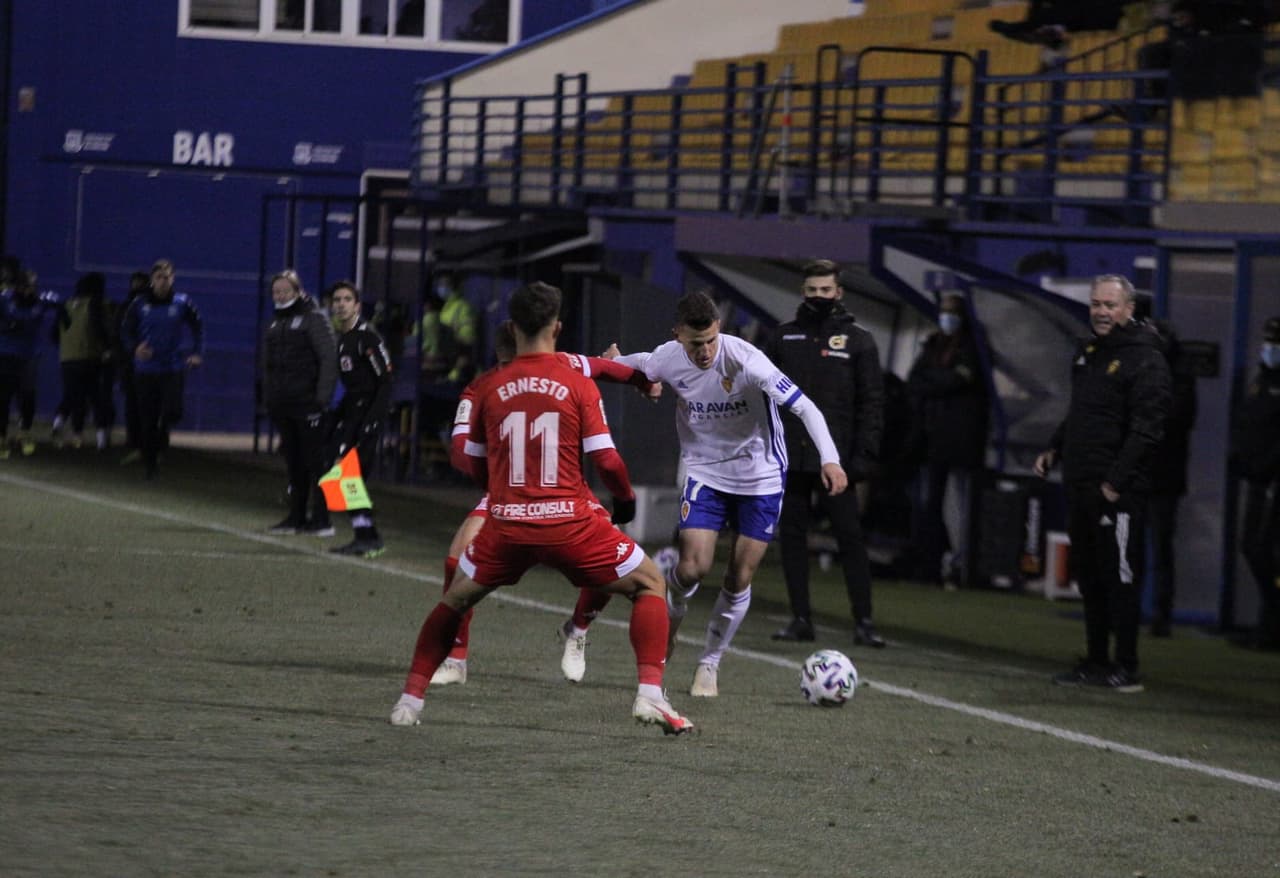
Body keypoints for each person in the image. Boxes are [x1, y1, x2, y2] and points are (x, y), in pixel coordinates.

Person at [389, 281, 693, 735]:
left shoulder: (487, 386)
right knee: (648, 582)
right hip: (570, 521)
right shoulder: (574, 377)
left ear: (511, 328)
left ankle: (410, 701)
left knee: (454, 598)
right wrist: (626, 502)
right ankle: (649, 693)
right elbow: (607, 460)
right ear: (557, 328)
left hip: (507, 523)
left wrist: (498, 492)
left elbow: (468, 458)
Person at [597, 290, 849, 698]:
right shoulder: (668, 357)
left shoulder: (748, 361)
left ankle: (710, 662)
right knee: (692, 568)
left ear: (719, 329)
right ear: (678, 335)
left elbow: (806, 407)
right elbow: (634, 365)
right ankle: (671, 615)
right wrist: (615, 363)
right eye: (696, 344)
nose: (705, 352)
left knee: (739, 575)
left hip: (760, 477)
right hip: (706, 472)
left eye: (711, 340)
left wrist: (831, 460)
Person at [429, 319, 659, 686]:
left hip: (565, 491)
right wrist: (494, 478)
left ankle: (578, 629)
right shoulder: (482, 388)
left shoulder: (563, 365)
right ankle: (456, 660)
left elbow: (603, 367)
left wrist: (641, 381)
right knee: (456, 559)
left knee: (613, 556)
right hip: (510, 492)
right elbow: (459, 450)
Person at [1034, 274, 1171, 692]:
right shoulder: (1089, 352)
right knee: (1089, 576)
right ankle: (1095, 661)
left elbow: (1148, 430)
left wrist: (1115, 481)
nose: (1101, 312)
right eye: (1096, 304)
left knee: (1120, 577)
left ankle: (1126, 667)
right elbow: (1082, 412)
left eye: (1110, 305)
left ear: (1129, 309)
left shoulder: (1146, 360)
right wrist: (1054, 448)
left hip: (1117, 491)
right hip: (1081, 483)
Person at [764, 259, 886, 647]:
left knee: (850, 538)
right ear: (803, 292)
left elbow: (872, 404)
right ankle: (800, 619)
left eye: (826, 290)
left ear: (839, 293)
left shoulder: (859, 341)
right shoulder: (783, 338)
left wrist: (862, 459)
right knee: (792, 539)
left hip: (838, 462)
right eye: (813, 290)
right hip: (791, 458)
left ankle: (864, 622)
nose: (819, 296)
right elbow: (763, 399)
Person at [907, 293, 989, 588]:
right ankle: (929, 565)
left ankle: (961, 565)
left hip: (961, 441)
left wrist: (934, 380)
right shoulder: (933, 344)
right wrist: (941, 379)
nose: (947, 318)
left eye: (952, 313)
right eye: (944, 312)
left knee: (957, 507)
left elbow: (957, 380)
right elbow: (915, 380)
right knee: (930, 504)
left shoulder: (972, 346)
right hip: (933, 439)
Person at [259, 270, 338, 535]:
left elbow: (328, 359)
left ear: (297, 291)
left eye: (285, 290)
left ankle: (322, 520)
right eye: (276, 291)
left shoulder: (314, 319)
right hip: (284, 404)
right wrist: (270, 397)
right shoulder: (275, 323)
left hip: (308, 403)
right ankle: (296, 517)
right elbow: (268, 365)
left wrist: (321, 399)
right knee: (294, 462)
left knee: (317, 463)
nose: (280, 295)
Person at [119, 259, 204, 479]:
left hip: (172, 367)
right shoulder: (139, 304)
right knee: (148, 417)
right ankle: (151, 464)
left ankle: (161, 438)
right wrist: (135, 348)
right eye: (159, 277)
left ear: (172, 279)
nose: (163, 281)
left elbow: (198, 326)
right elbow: (126, 331)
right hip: (146, 369)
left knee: (172, 411)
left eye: (167, 277)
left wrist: (197, 352)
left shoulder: (182, 302)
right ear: (152, 280)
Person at [327, 281, 392, 557]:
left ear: (357, 305)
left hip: (366, 417)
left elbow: (384, 380)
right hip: (353, 416)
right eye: (337, 300)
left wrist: (372, 420)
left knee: (350, 477)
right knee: (345, 478)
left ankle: (367, 536)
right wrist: (336, 416)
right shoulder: (344, 339)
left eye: (346, 299)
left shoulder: (367, 338)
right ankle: (367, 535)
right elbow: (354, 388)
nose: (341, 304)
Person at [1228, 315, 1280, 651]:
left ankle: (1271, 625)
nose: (1270, 347)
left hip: (1272, 480)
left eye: (1276, 342)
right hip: (1256, 479)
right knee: (1253, 548)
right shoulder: (1261, 379)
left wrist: (1267, 467)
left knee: (1262, 549)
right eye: (1269, 341)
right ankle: (1268, 623)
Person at [1144, 317, 1198, 637]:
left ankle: (1161, 613)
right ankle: (1127, 608)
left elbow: (1172, 420)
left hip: (1163, 477)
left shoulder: (1180, 378)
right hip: (1141, 474)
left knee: (1161, 547)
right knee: (1131, 546)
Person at [0, 268, 60, 458]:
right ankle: (2, 437)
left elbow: (60, 305)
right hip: (6, 353)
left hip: (29, 355)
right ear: (17, 286)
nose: (30, 289)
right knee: (3, 396)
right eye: (26, 285)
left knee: (27, 396)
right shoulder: (5, 299)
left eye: (33, 286)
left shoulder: (39, 301)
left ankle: (24, 433)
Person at [52, 272, 112, 451]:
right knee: (96, 397)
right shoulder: (97, 303)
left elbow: (54, 334)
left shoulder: (66, 305)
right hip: (90, 356)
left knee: (72, 394)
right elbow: (98, 327)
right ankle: (101, 439)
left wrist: (67, 343)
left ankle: (59, 424)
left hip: (67, 358)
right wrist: (107, 348)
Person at [116, 271, 149, 462]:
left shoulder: (135, 306)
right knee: (135, 402)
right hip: (133, 361)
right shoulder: (131, 307)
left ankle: (140, 441)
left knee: (141, 403)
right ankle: (137, 440)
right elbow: (120, 333)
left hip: (144, 362)